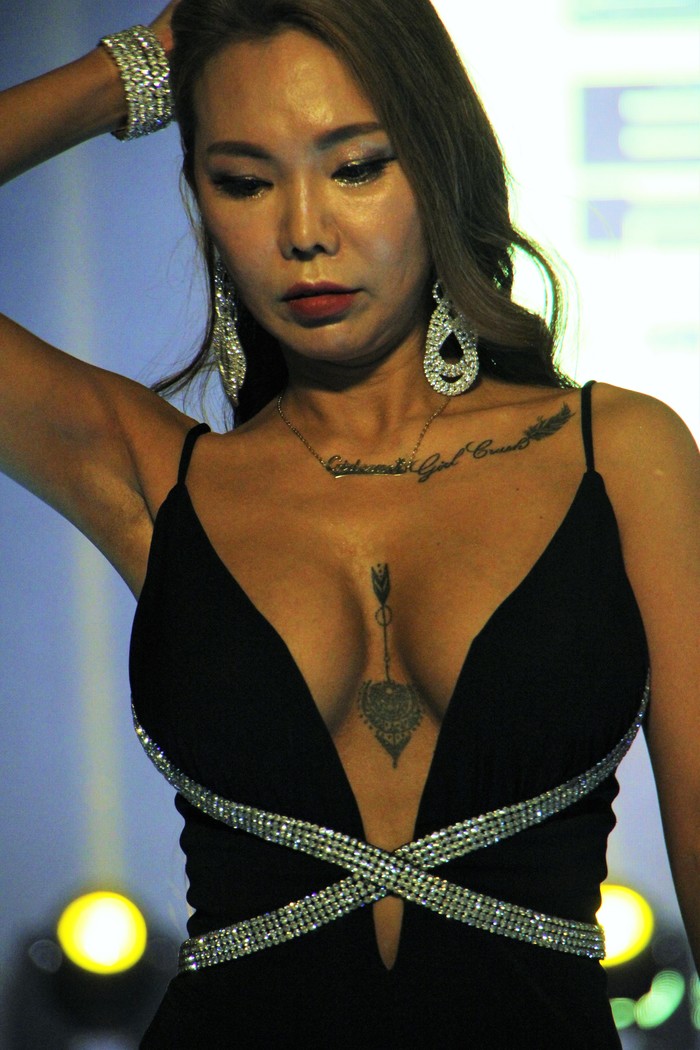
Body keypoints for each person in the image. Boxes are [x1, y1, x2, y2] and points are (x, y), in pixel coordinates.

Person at [1, 0, 698, 1046]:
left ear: (441, 165)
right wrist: (137, 68)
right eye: (244, 181)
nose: (304, 232)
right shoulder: (158, 477)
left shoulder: (619, 455)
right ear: (200, 201)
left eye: (357, 167)